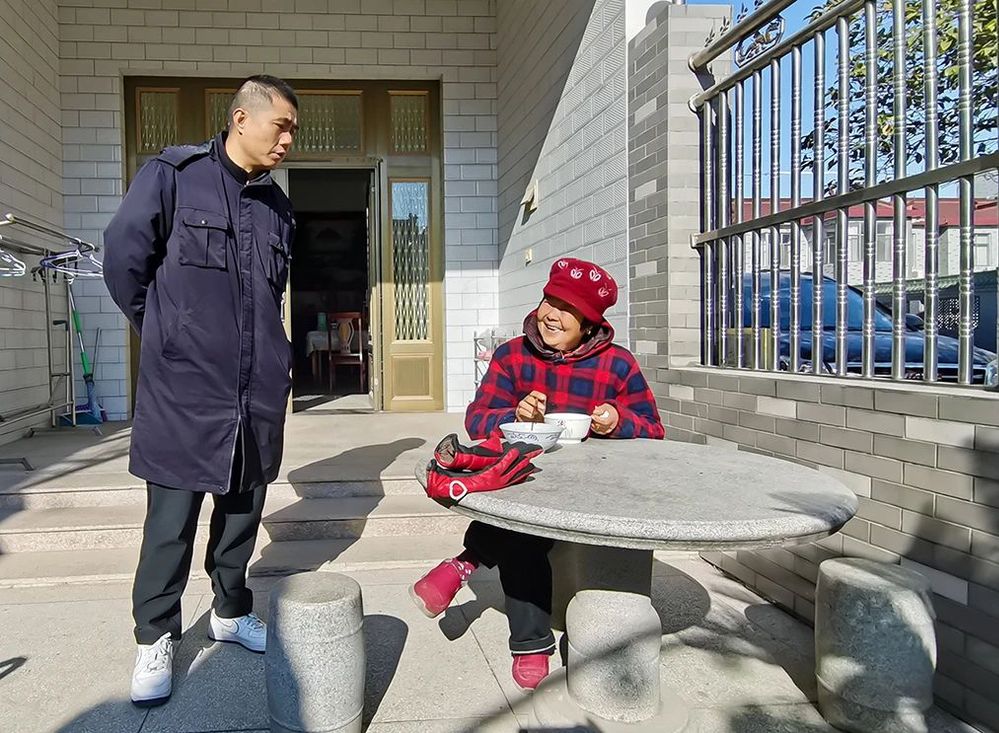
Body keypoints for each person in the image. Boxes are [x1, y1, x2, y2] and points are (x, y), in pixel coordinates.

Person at [103, 75, 299, 707]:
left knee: (242, 514)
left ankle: (230, 611)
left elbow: (270, 296)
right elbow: (123, 261)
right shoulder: (173, 175)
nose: (288, 140)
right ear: (242, 118)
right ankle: (154, 636)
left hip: (256, 390)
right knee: (170, 524)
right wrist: (168, 333)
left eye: (292, 130)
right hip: (183, 391)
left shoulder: (277, 206)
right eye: (281, 126)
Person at [410, 257, 665, 691]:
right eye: (550, 302)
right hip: (521, 479)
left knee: (522, 527)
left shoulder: (617, 365)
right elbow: (477, 419)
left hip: (592, 486)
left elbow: (653, 428)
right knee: (523, 528)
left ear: (589, 325)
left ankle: (465, 563)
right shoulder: (512, 355)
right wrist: (514, 415)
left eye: (568, 311)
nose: (551, 315)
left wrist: (616, 420)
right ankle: (531, 645)